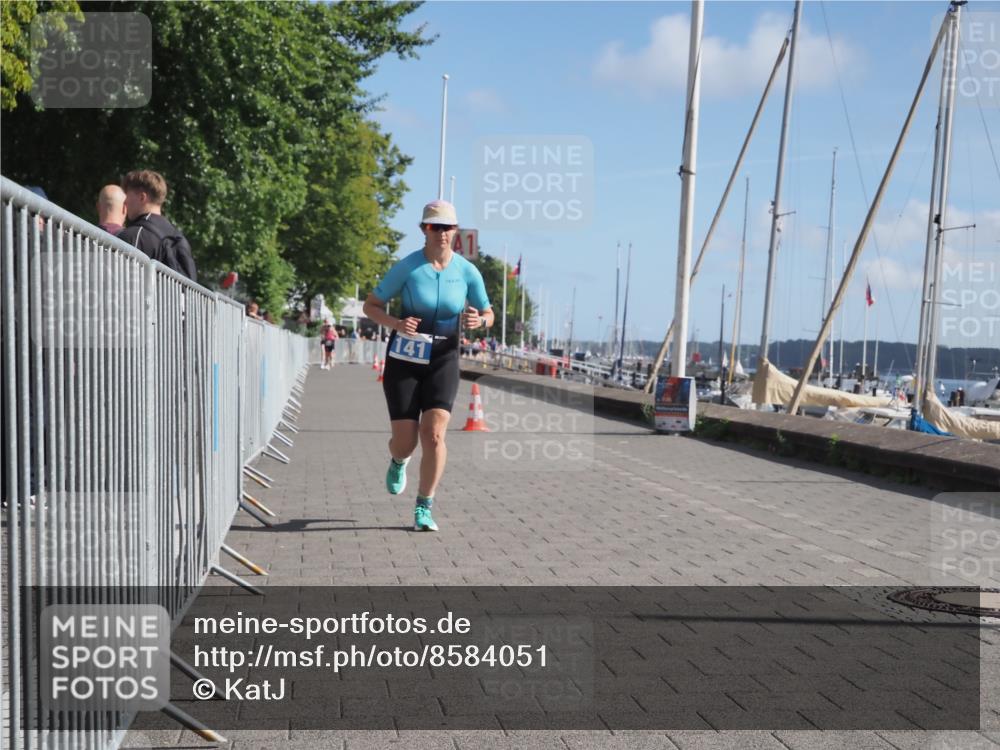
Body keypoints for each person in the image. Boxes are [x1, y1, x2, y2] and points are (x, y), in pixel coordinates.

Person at [362, 200, 493, 532]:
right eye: (436, 227)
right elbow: (371, 306)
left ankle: (424, 506)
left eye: (448, 227)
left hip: (444, 358)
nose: (443, 233)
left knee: (434, 434)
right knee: (405, 441)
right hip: (405, 359)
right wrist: (395, 322)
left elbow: (488, 312)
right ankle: (398, 460)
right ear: (424, 229)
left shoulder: (466, 271)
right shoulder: (407, 267)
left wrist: (481, 320)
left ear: (456, 231)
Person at [117, 170, 197, 282]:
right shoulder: (178, 237)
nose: (125, 202)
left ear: (142, 197)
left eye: (127, 195)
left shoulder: (134, 235)